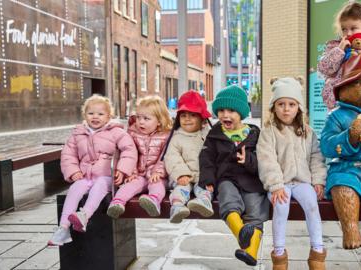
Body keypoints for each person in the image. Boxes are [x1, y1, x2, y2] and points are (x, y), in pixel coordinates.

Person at [48, 95, 137, 246]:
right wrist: (73, 171)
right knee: (75, 189)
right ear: (85, 115)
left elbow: (129, 150)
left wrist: (122, 170)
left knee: (101, 184)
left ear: (109, 116)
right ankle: (63, 228)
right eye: (91, 113)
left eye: (101, 114)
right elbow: (68, 155)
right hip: (85, 175)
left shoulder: (117, 132)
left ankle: (84, 215)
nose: (95, 117)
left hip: (108, 176)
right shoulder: (78, 134)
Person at [257, 77, 327, 270]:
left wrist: (318, 181)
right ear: (273, 107)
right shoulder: (269, 131)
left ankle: (317, 253)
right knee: (281, 204)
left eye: (291, 104)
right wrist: (276, 184)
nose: (286, 109)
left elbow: (316, 157)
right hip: (279, 184)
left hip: (302, 182)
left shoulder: (308, 131)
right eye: (281, 104)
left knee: (312, 204)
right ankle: (279, 254)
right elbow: (266, 159)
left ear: (299, 107)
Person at [199, 85, 269, 266]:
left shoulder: (254, 134)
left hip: (251, 180)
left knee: (255, 209)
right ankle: (240, 232)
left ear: (241, 113)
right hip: (227, 178)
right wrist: (208, 180)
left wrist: (248, 160)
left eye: (231, 110)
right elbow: (206, 159)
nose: (225, 115)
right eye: (221, 110)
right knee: (228, 199)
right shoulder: (214, 135)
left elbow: (264, 162)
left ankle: (251, 252)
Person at [106, 96, 172, 218]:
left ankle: (153, 200)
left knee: (157, 184)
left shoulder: (166, 136)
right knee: (130, 185)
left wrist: (158, 172)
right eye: (138, 117)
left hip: (157, 175)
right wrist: (131, 172)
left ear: (159, 121)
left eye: (146, 118)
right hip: (139, 175)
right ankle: (117, 203)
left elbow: (165, 156)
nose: (141, 122)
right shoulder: (132, 133)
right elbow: (130, 154)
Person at [318, 2, 361, 110]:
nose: (348, 33)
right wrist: (339, 51)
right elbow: (324, 69)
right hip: (339, 104)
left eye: (353, 28)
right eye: (344, 29)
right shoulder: (335, 47)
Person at [164, 91, 214, 223]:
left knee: (204, 189)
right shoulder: (176, 138)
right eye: (184, 115)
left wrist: (211, 178)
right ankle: (177, 206)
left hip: (202, 177)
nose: (187, 119)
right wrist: (181, 174)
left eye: (192, 115)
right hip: (184, 178)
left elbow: (214, 157)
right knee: (180, 189)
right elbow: (172, 158)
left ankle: (204, 202)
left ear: (202, 119)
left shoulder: (208, 136)